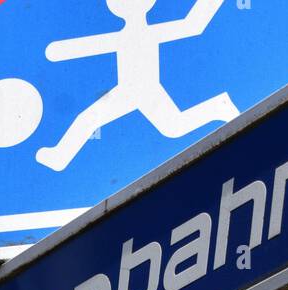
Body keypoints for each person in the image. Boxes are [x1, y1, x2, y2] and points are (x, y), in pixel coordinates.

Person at [37, 0, 239, 172]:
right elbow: (90, 45)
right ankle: (59, 156)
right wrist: (59, 50)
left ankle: (217, 107)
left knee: (173, 127)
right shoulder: (126, 35)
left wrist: (59, 51)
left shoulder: (151, 33)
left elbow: (192, 25)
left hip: (148, 91)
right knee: (88, 120)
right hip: (126, 91)